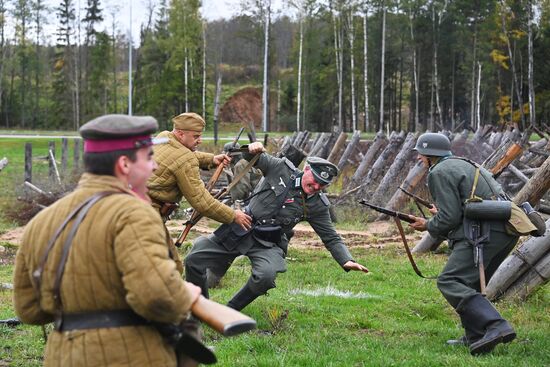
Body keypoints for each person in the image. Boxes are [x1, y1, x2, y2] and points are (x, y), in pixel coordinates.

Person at [13, 114, 202, 366]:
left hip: (61, 356)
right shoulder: (134, 213)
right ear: (124, 164)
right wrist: (185, 294)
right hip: (131, 355)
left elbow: (29, 309)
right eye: (149, 158)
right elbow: (158, 297)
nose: (154, 167)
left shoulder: (41, 221)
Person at [185, 143, 369, 311]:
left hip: (268, 243)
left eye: (322, 185)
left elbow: (331, 237)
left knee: (265, 276)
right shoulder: (280, 168)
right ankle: (199, 307)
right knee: (194, 258)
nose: (315, 187)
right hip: (241, 227)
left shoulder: (318, 205)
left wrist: (346, 259)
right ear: (306, 169)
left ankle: (229, 311)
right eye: (314, 180)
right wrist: (251, 148)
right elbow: (251, 157)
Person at [408, 132, 520, 356]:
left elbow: (448, 218)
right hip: (504, 230)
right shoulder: (464, 164)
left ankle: (495, 326)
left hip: (483, 232)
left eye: (421, 153)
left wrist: (428, 224)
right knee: (468, 284)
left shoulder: (438, 172)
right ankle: (476, 336)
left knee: (451, 281)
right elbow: (460, 208)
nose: (419, 158)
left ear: (430, 154)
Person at [146, 112, 252, 270]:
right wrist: (233, 215)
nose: (199, 140)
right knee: (166, 269)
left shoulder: (165, 137)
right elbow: (202, 202)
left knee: (170, 266)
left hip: (132, 205)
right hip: (147, 216)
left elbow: (182, 155)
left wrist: (211, 159)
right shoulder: (185, 160)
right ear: (181, 134)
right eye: (195, 136)